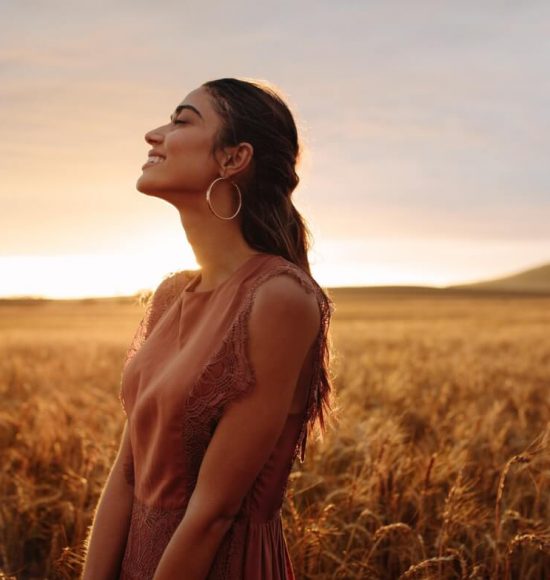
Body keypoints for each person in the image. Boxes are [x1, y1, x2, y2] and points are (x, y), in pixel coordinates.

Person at [81, 77, 335, 580]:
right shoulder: (172, 296)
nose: (154, 134)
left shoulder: (278, 298)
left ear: (233, 159)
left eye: (180, 120)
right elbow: (127, 475)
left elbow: (213, 513)